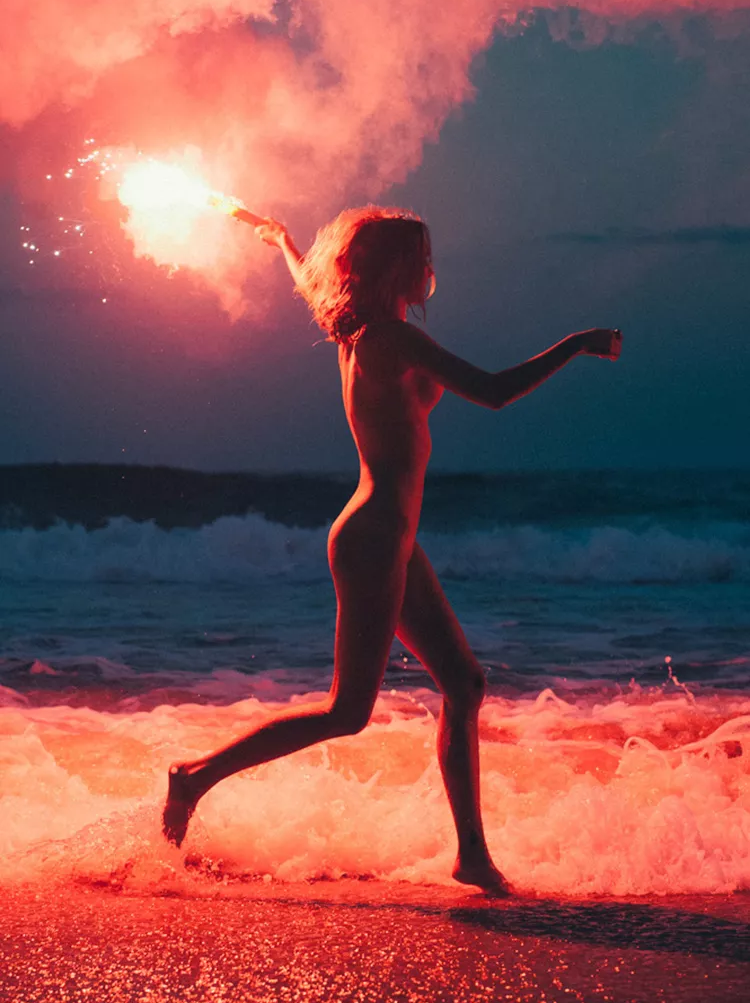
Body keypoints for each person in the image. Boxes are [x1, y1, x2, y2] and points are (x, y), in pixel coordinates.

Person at [162, 206, 622, 893]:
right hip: (374, 535)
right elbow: (494, 392)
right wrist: (576, 343)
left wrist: (283, 241)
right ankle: (194, 777)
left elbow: (313, 287)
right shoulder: (392, 339)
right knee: (348, 711)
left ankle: (471, 854)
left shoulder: (349, 325)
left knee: (464, 683)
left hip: (390, 537)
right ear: (397, 269)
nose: (430, 269)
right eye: (420, 256)